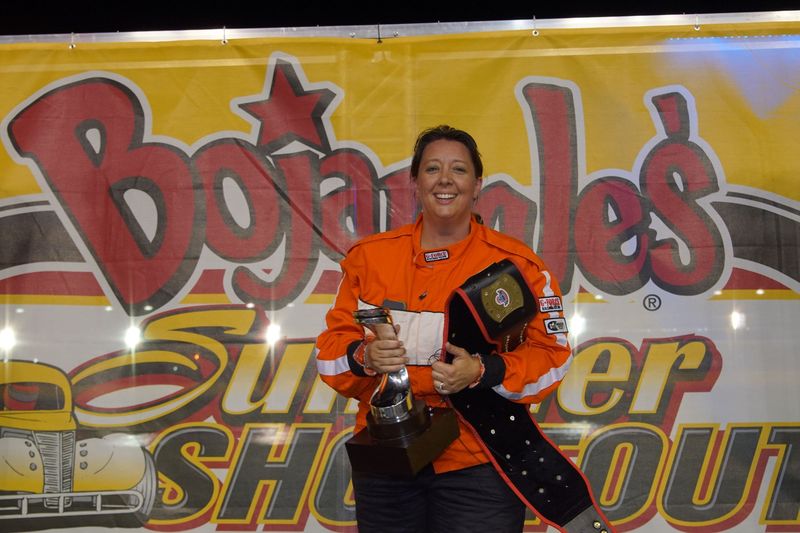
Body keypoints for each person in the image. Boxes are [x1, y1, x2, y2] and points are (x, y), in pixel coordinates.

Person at [315, 125, 573, 532]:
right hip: (389, 458)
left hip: (480, 462)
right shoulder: (370, 259)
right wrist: (363, 357)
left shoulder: (518, 266)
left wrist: (483, 371)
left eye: (459, 169)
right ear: (415, 183)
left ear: (478, 185)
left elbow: (553, 358)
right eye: (433, 169)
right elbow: (329, 354)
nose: (445, 180)